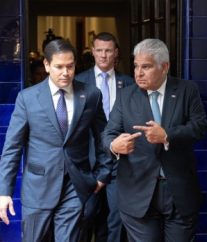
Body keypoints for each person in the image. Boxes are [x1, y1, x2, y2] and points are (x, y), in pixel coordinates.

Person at [0, 39, 111, 242]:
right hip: (38, 189)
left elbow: (103, 135)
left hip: (75, 186)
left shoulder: (91, 95)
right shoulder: (28, 98)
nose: (65, 72)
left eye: (70, 66)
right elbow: (12, 148)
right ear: (47, 65)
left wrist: (102, 173)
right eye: (59, 67)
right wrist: (4, 192)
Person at [102, 38, 207, 242]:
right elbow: (108, 134)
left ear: (164, 67)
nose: (138, 73)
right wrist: (115, 146)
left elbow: (199, 128)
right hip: (137, 192)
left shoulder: (187, 90)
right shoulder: (126, 96)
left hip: (178, 192)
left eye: (146, 67)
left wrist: (167, 135)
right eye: (136, 66)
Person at [76, 32, 133, 242]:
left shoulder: (128, 83)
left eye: (108, 51)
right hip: (89, 161)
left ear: (115, 53)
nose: (103, 55)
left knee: (116, 219)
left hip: (120, 161)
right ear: (92, 51)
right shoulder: (79, 81)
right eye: (99, 50)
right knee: (87, 215)